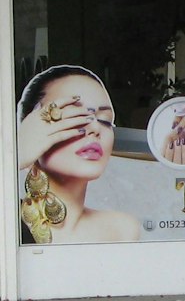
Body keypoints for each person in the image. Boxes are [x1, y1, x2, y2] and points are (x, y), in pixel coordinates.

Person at [16, 65, 141, 244]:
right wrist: (16, 157)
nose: (95, 128)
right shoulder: (1, 220)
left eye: (105, 121)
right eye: (74, 116)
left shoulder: (122, 230)